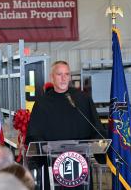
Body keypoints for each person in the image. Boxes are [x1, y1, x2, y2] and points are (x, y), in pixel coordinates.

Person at [26, 60, 106, 189]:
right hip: (53, 164)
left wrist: (98, 142)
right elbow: (34, 134)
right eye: (59, 74)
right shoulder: (42, 103)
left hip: (80, 163)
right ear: (52, 77)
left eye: (67, 74)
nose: (64, 78)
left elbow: (96, 127)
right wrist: (44, 148)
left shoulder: (83, 99)